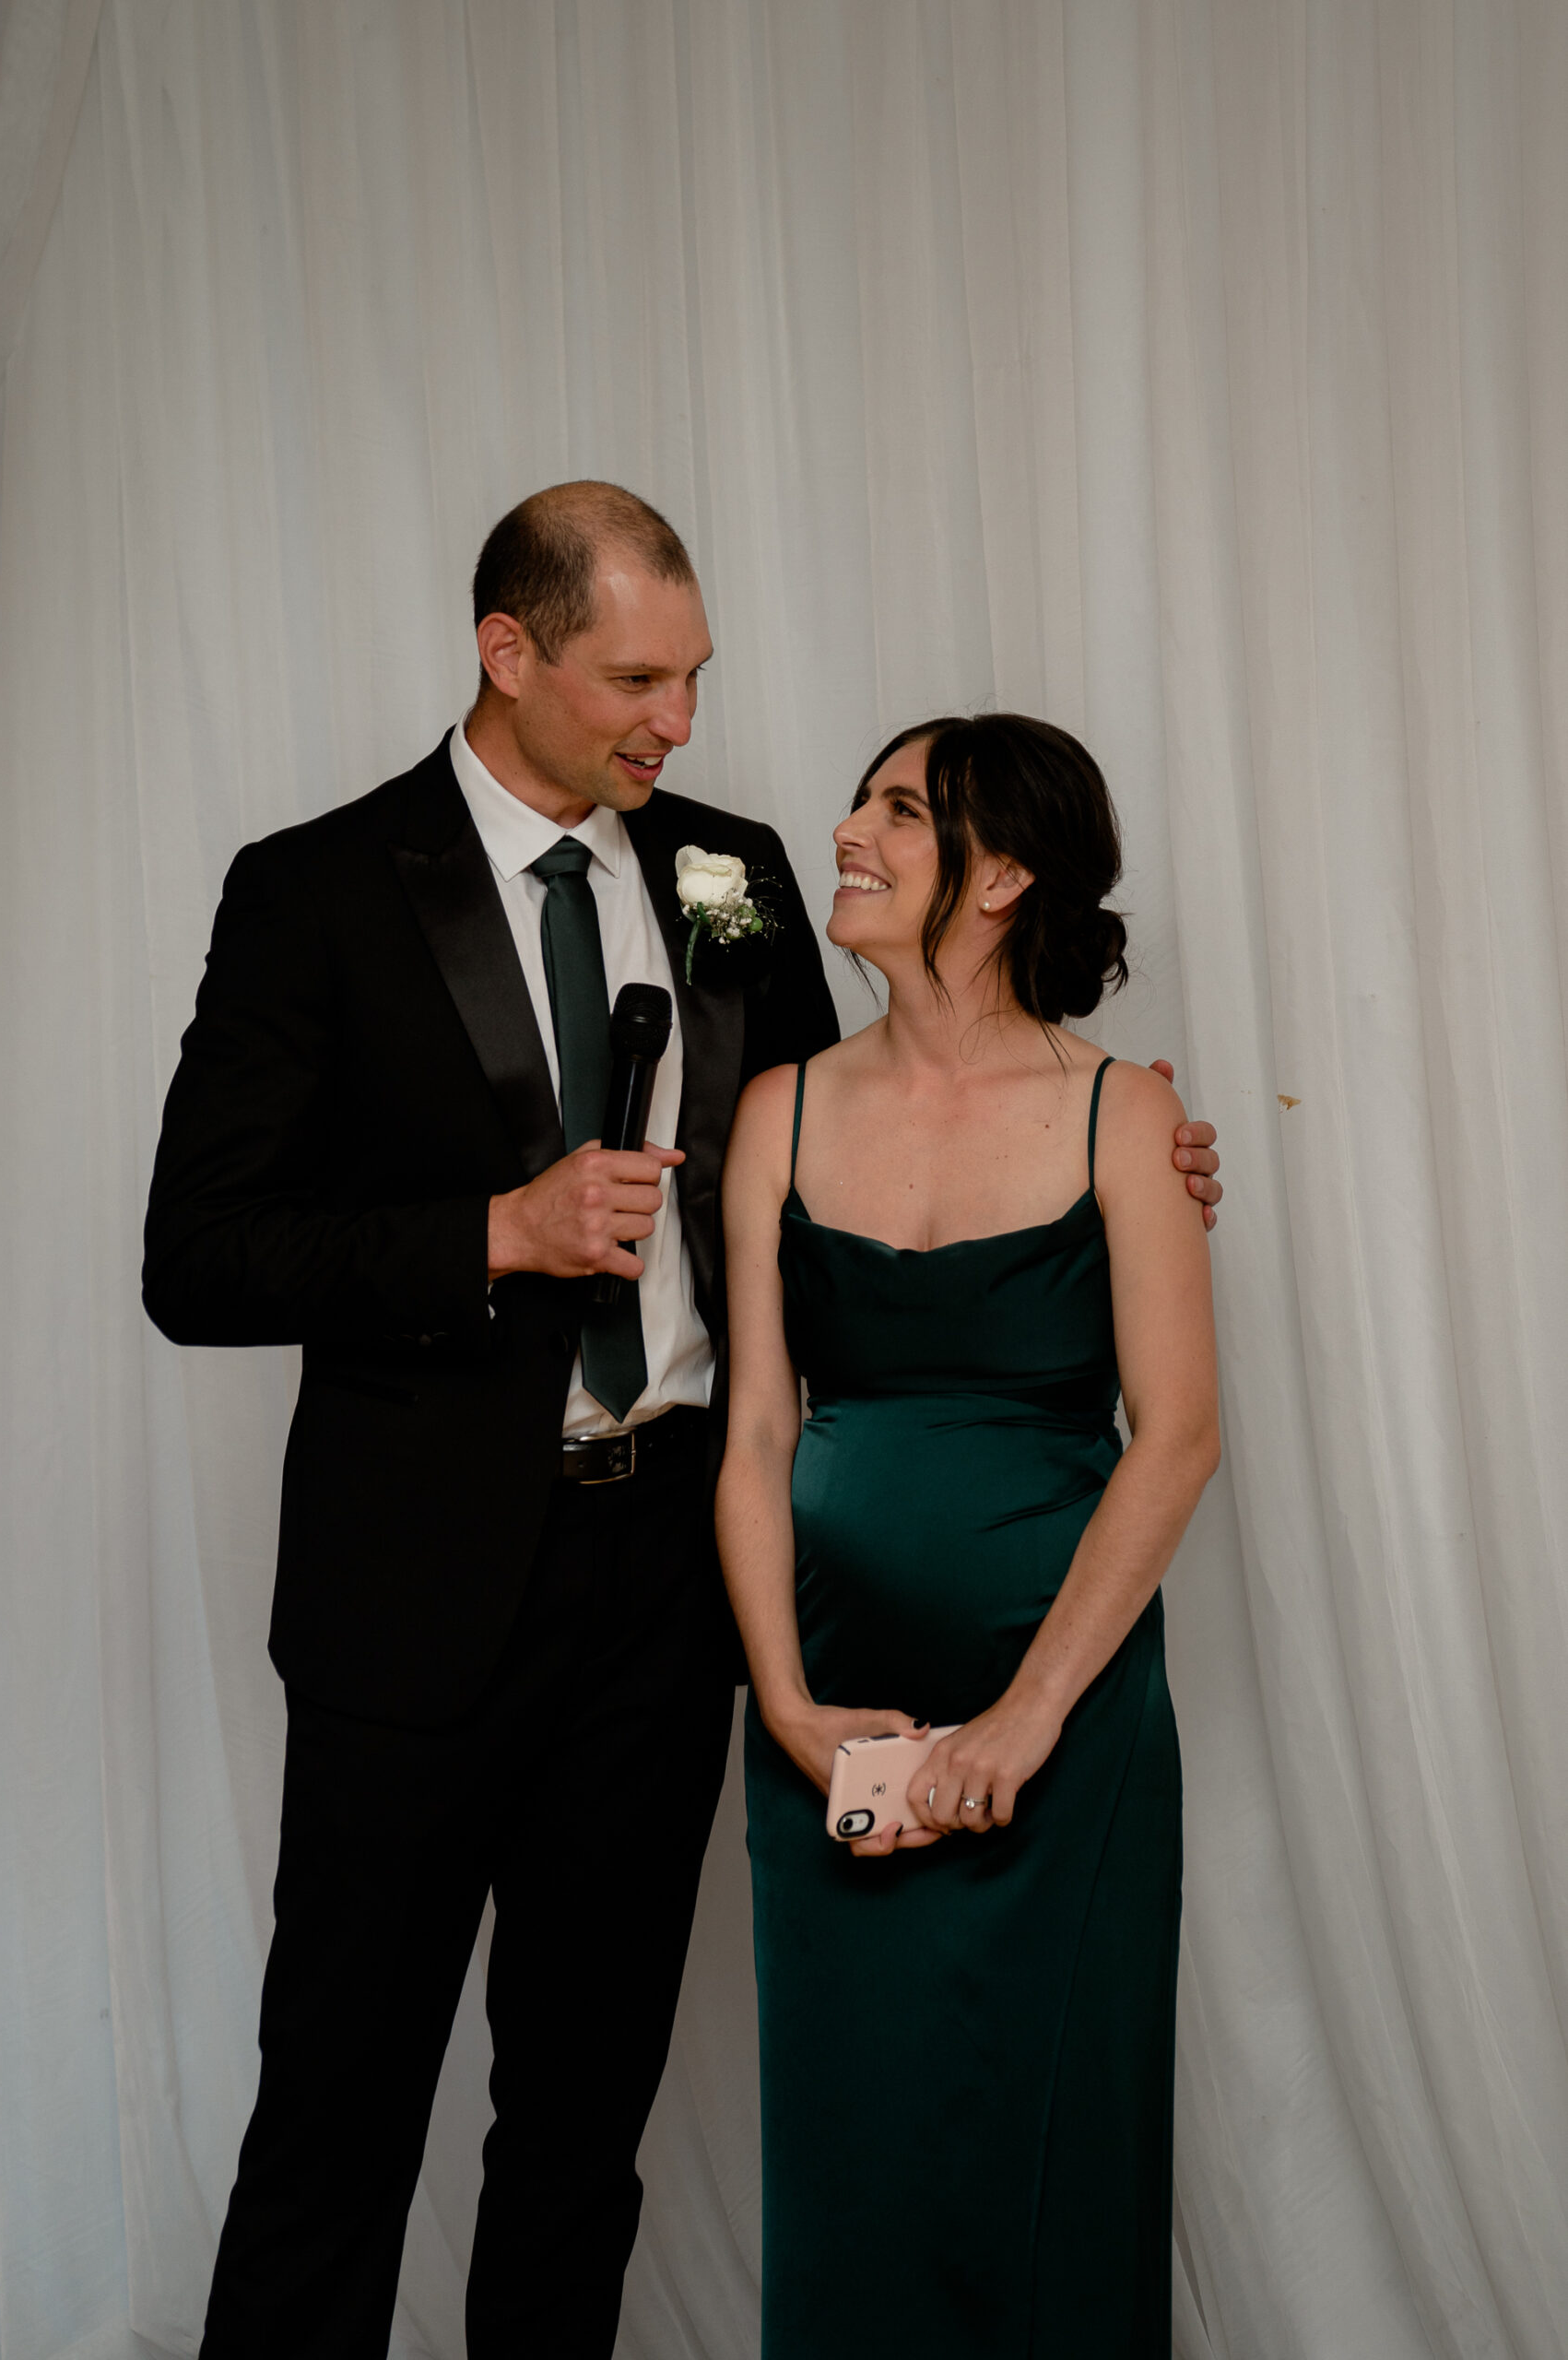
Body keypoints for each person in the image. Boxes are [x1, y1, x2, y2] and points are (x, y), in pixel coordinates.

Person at [142, 481, 1222, 2357]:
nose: (679, 722)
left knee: (580, 2130)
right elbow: (199, 1255)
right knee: (339, 2112)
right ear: (509, 655)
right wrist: (488, 1229)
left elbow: (851, 1120)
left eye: (695, 675)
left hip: (671, 1589)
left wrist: (1114, 1153)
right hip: (416, 1600)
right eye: (636, 678)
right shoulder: (316, 887)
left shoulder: (719, 870)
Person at [718, 713, 1220, 2357]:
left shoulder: (1123, 1116)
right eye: (860, 799)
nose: (850, 832)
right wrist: (784, 1704)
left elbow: (1181, 1438)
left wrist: (1027, 1716)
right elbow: (758, 1433)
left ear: (1005, 875)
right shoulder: (778, 1108)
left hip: (1065, 1716)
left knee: (1048, 2148)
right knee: (851, 2150)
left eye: (901, 812)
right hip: (828, 1717)